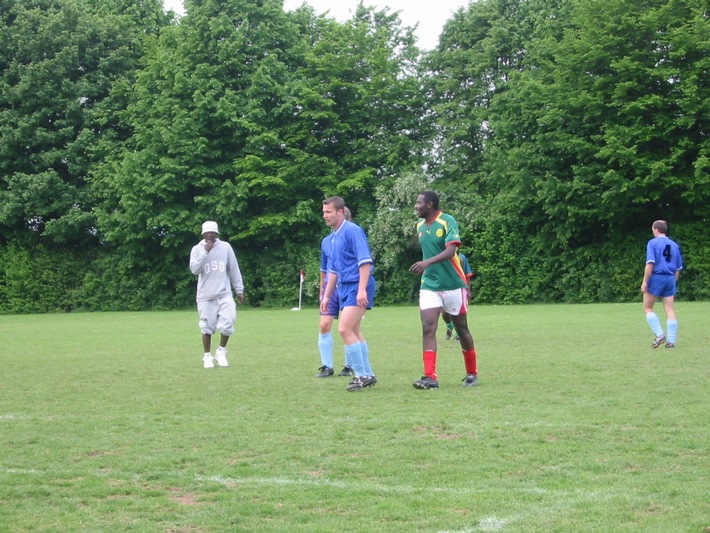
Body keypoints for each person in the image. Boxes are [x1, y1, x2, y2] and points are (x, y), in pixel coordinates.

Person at [409, 191, 478, 389]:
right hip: (430, 284)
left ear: (429, 204)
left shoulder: (447, 221)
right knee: (428, 327)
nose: (416, 206)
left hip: (453, 284)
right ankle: (430, 377)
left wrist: (426, 262)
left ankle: (472, 373)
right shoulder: (420, 226)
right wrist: (426, 267)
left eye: (418, 202)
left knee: (462, 329)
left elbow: (451, 251)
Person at [320, 196, 377, 391]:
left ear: (340, 212)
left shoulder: (353, 231)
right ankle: (368, 373)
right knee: (353, 331)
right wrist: (326, 296)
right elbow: (333, 270)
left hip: (357, 285)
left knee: (344, 329)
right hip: (343, 287)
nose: (325, 215)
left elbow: (365, 262)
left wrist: (361, 289)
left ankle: (361, 375)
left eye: (328, 212)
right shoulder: (333, 237)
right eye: (324, 212)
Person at [189, 221, 245, 368]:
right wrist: (205, 252)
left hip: (224, 293)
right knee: (206, 327)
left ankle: (221, 352)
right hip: (205, 296)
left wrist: (239, 290)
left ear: (216, 233)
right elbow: (194, 269)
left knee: (228, 322)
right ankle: (207, 356)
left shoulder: (225, 247)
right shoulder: (196, 249)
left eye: (212, 233)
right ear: (203, 234)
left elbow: (233, 269)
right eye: (207, 233)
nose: (210, 235)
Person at [316, 206, 354, 378]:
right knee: (324, 324)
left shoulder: (353, 236)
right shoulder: (326, 241)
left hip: (348, 286)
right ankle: (326, 366)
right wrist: (322, 291)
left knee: (348, 327)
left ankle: (349, 366)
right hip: (330, 289)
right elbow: (324, 268)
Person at [641, 220, 683, 348]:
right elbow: (678, 268)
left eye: (653, 229)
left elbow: (650, 263)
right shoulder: (674, 245)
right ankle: (671, 341)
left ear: (656, 230)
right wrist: (673, 282)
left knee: (648, 307)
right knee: (669, 309)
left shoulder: (652, 243)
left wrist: (645, 281)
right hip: (670, 278)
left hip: (657, 277)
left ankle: (659, 334)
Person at [442, 252, 474, 342]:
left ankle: (458, 335)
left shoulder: (461, 258)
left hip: (460, 289)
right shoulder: (442, 257)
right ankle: (449, 325)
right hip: (446, 289)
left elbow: (467, 275)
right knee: (445, 313)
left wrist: (468, 290)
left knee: (460, 313)